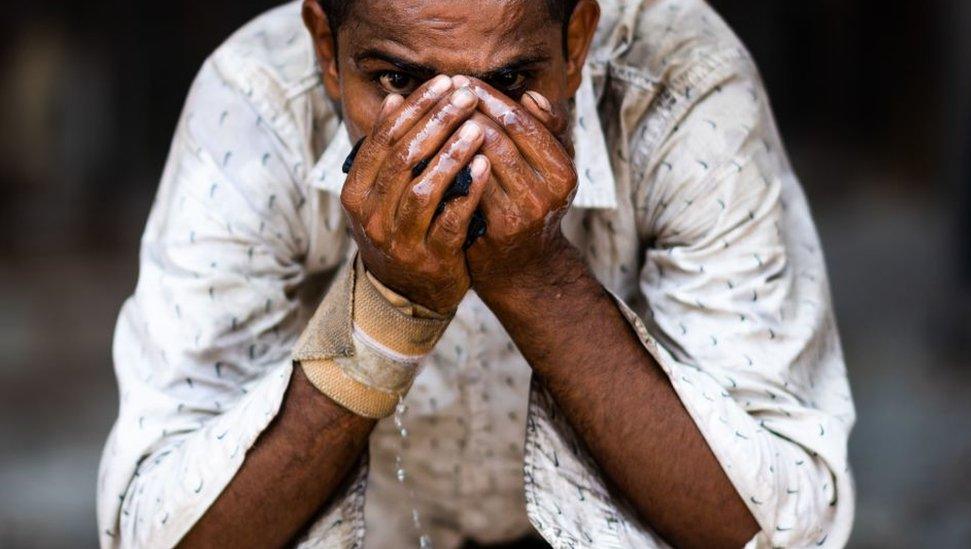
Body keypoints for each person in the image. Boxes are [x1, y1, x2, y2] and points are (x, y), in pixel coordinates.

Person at [97, 0, 856, 547]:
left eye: (511, 79)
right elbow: (154, 530)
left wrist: (534, 276)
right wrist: (387, 312)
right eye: (397, 80)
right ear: (325, 48)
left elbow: (789, 525)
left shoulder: (681, 87)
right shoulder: (254, 104)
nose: (459, 141)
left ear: (579, 38)